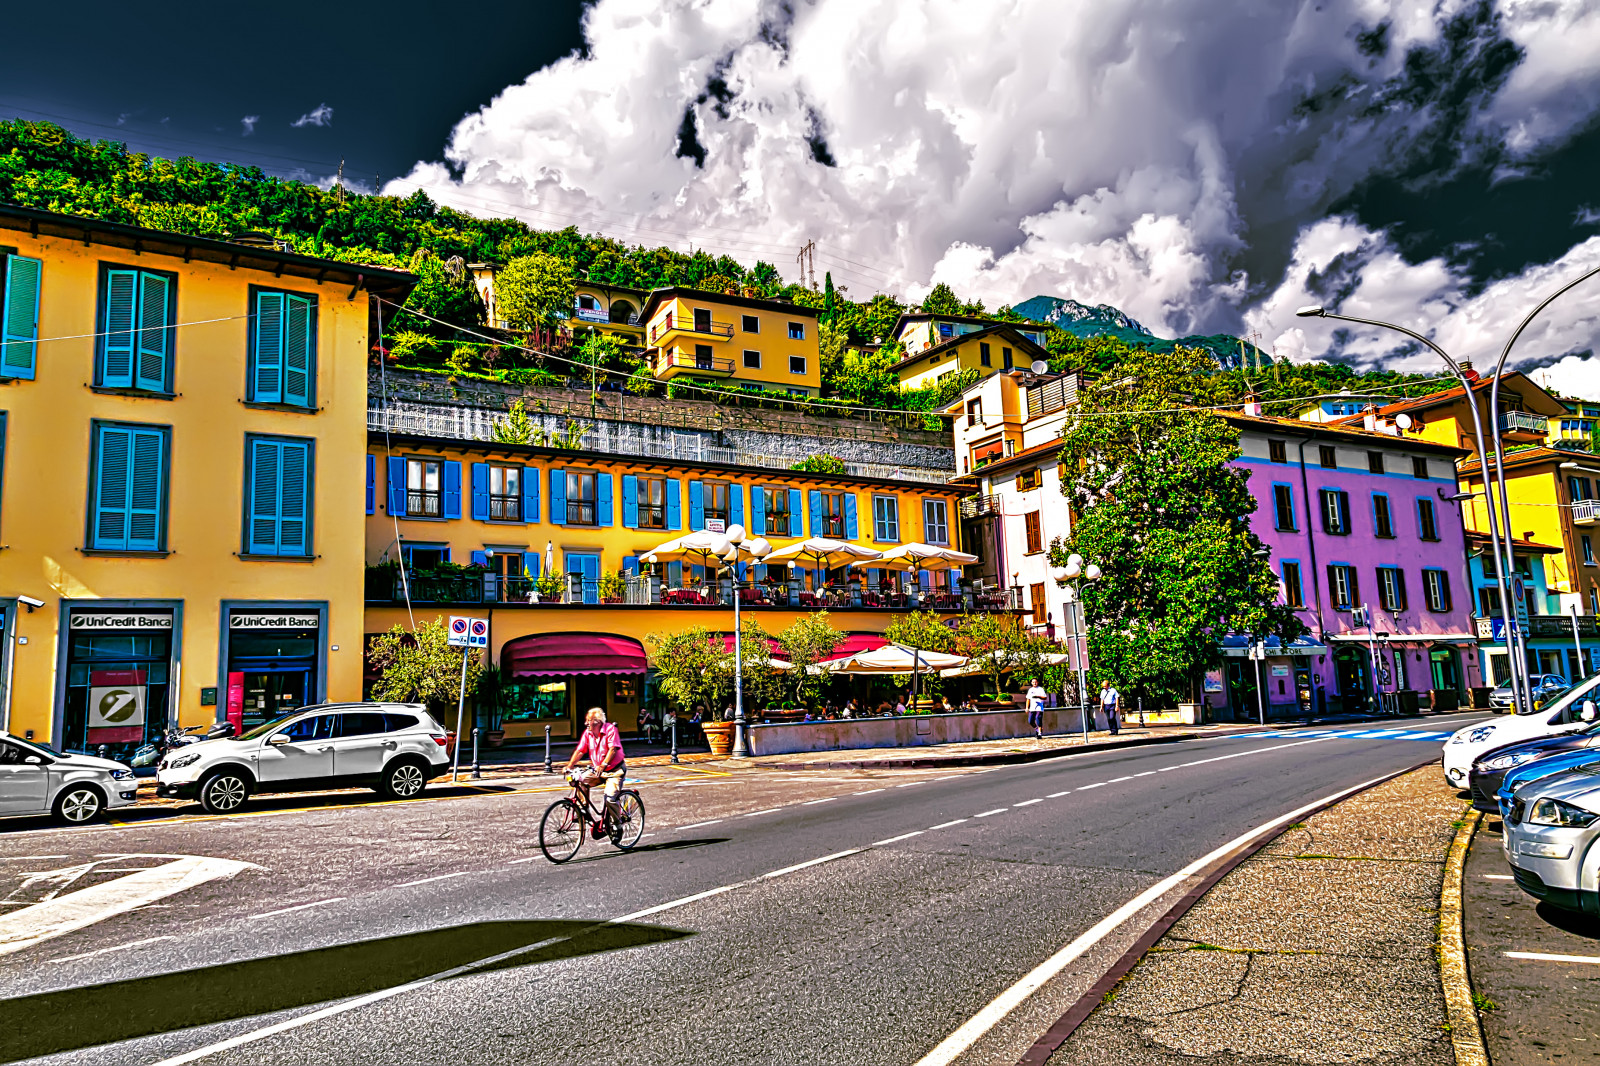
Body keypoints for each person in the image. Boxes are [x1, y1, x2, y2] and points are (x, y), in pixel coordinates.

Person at [564, 707, 627, 836]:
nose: (586, 723)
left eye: (589, 720)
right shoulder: (588, 734)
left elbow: (613, 749)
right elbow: (581, 750)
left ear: (597, 722)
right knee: (580, 780)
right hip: (598, 770)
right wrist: (569, 766)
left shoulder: (610, 729)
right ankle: (583, 809)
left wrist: (603, 765)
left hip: (615, 771)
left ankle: (617, 825)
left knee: (610, 798)